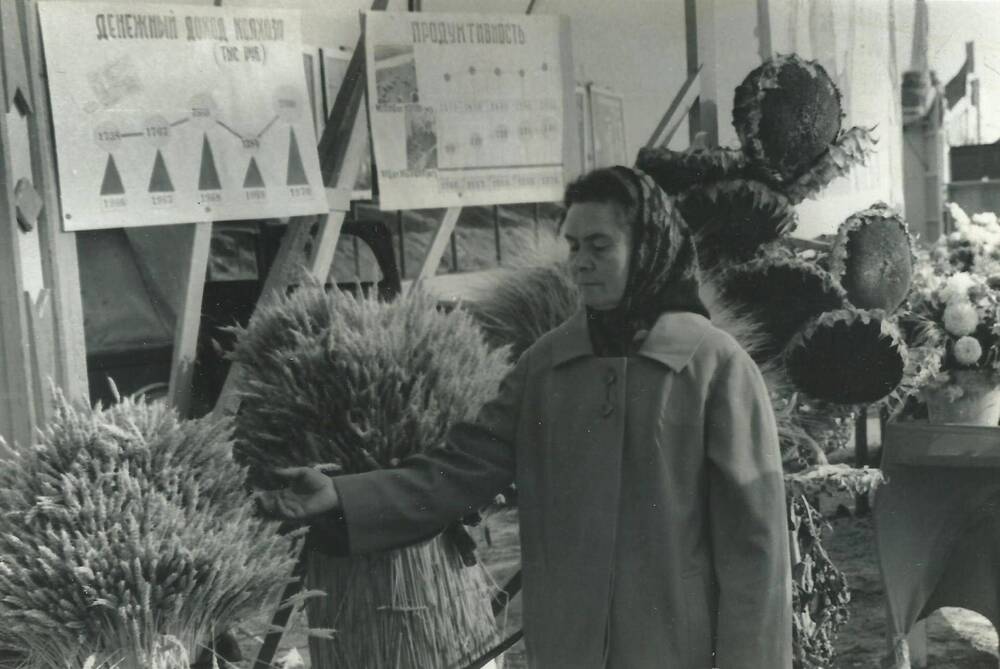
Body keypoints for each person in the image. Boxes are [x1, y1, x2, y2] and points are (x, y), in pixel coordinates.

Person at [256, 166, 792, 668]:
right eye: (574, 245)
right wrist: (342, 495)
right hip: (569, 645)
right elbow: (461, 467)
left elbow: (756, 547)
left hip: (678, 648)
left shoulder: (715, 368)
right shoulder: (549, 364)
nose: (580, 261)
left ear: (648, 249)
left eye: (600, 246)